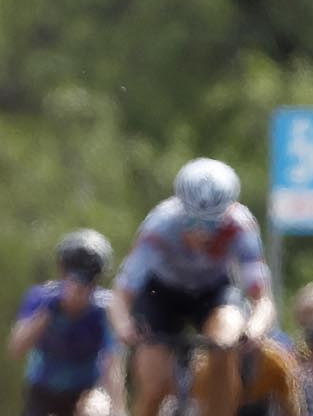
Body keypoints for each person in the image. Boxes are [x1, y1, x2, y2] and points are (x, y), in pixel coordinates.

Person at [109, 158, 277, 416]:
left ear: (228, 211)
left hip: (213, 292)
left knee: (226, 341)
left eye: (211, 223)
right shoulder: (160, 224)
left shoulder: (241, 227)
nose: (201, 232)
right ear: (180, 209)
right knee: (154, 384)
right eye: (192, 221)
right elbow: (121, 296)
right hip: (161, 293)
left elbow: (262, 299)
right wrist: (124, 326)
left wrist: (253, 329)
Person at [9, 230, 122, 416]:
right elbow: (17, 348)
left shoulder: (103, 309)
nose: (80, 288)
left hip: (86, 389)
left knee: (96, 410)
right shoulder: (41, 298)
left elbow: (112, 362)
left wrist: (118, 409)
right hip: (43, 390)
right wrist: (51, 310)